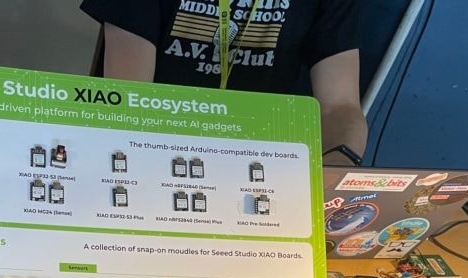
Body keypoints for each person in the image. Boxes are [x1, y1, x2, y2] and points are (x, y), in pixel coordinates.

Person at [81, 0, 367, 165]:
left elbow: (340, 107)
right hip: (154, 150)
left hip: (259, 161)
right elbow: (129, 98)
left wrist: (336, 173)